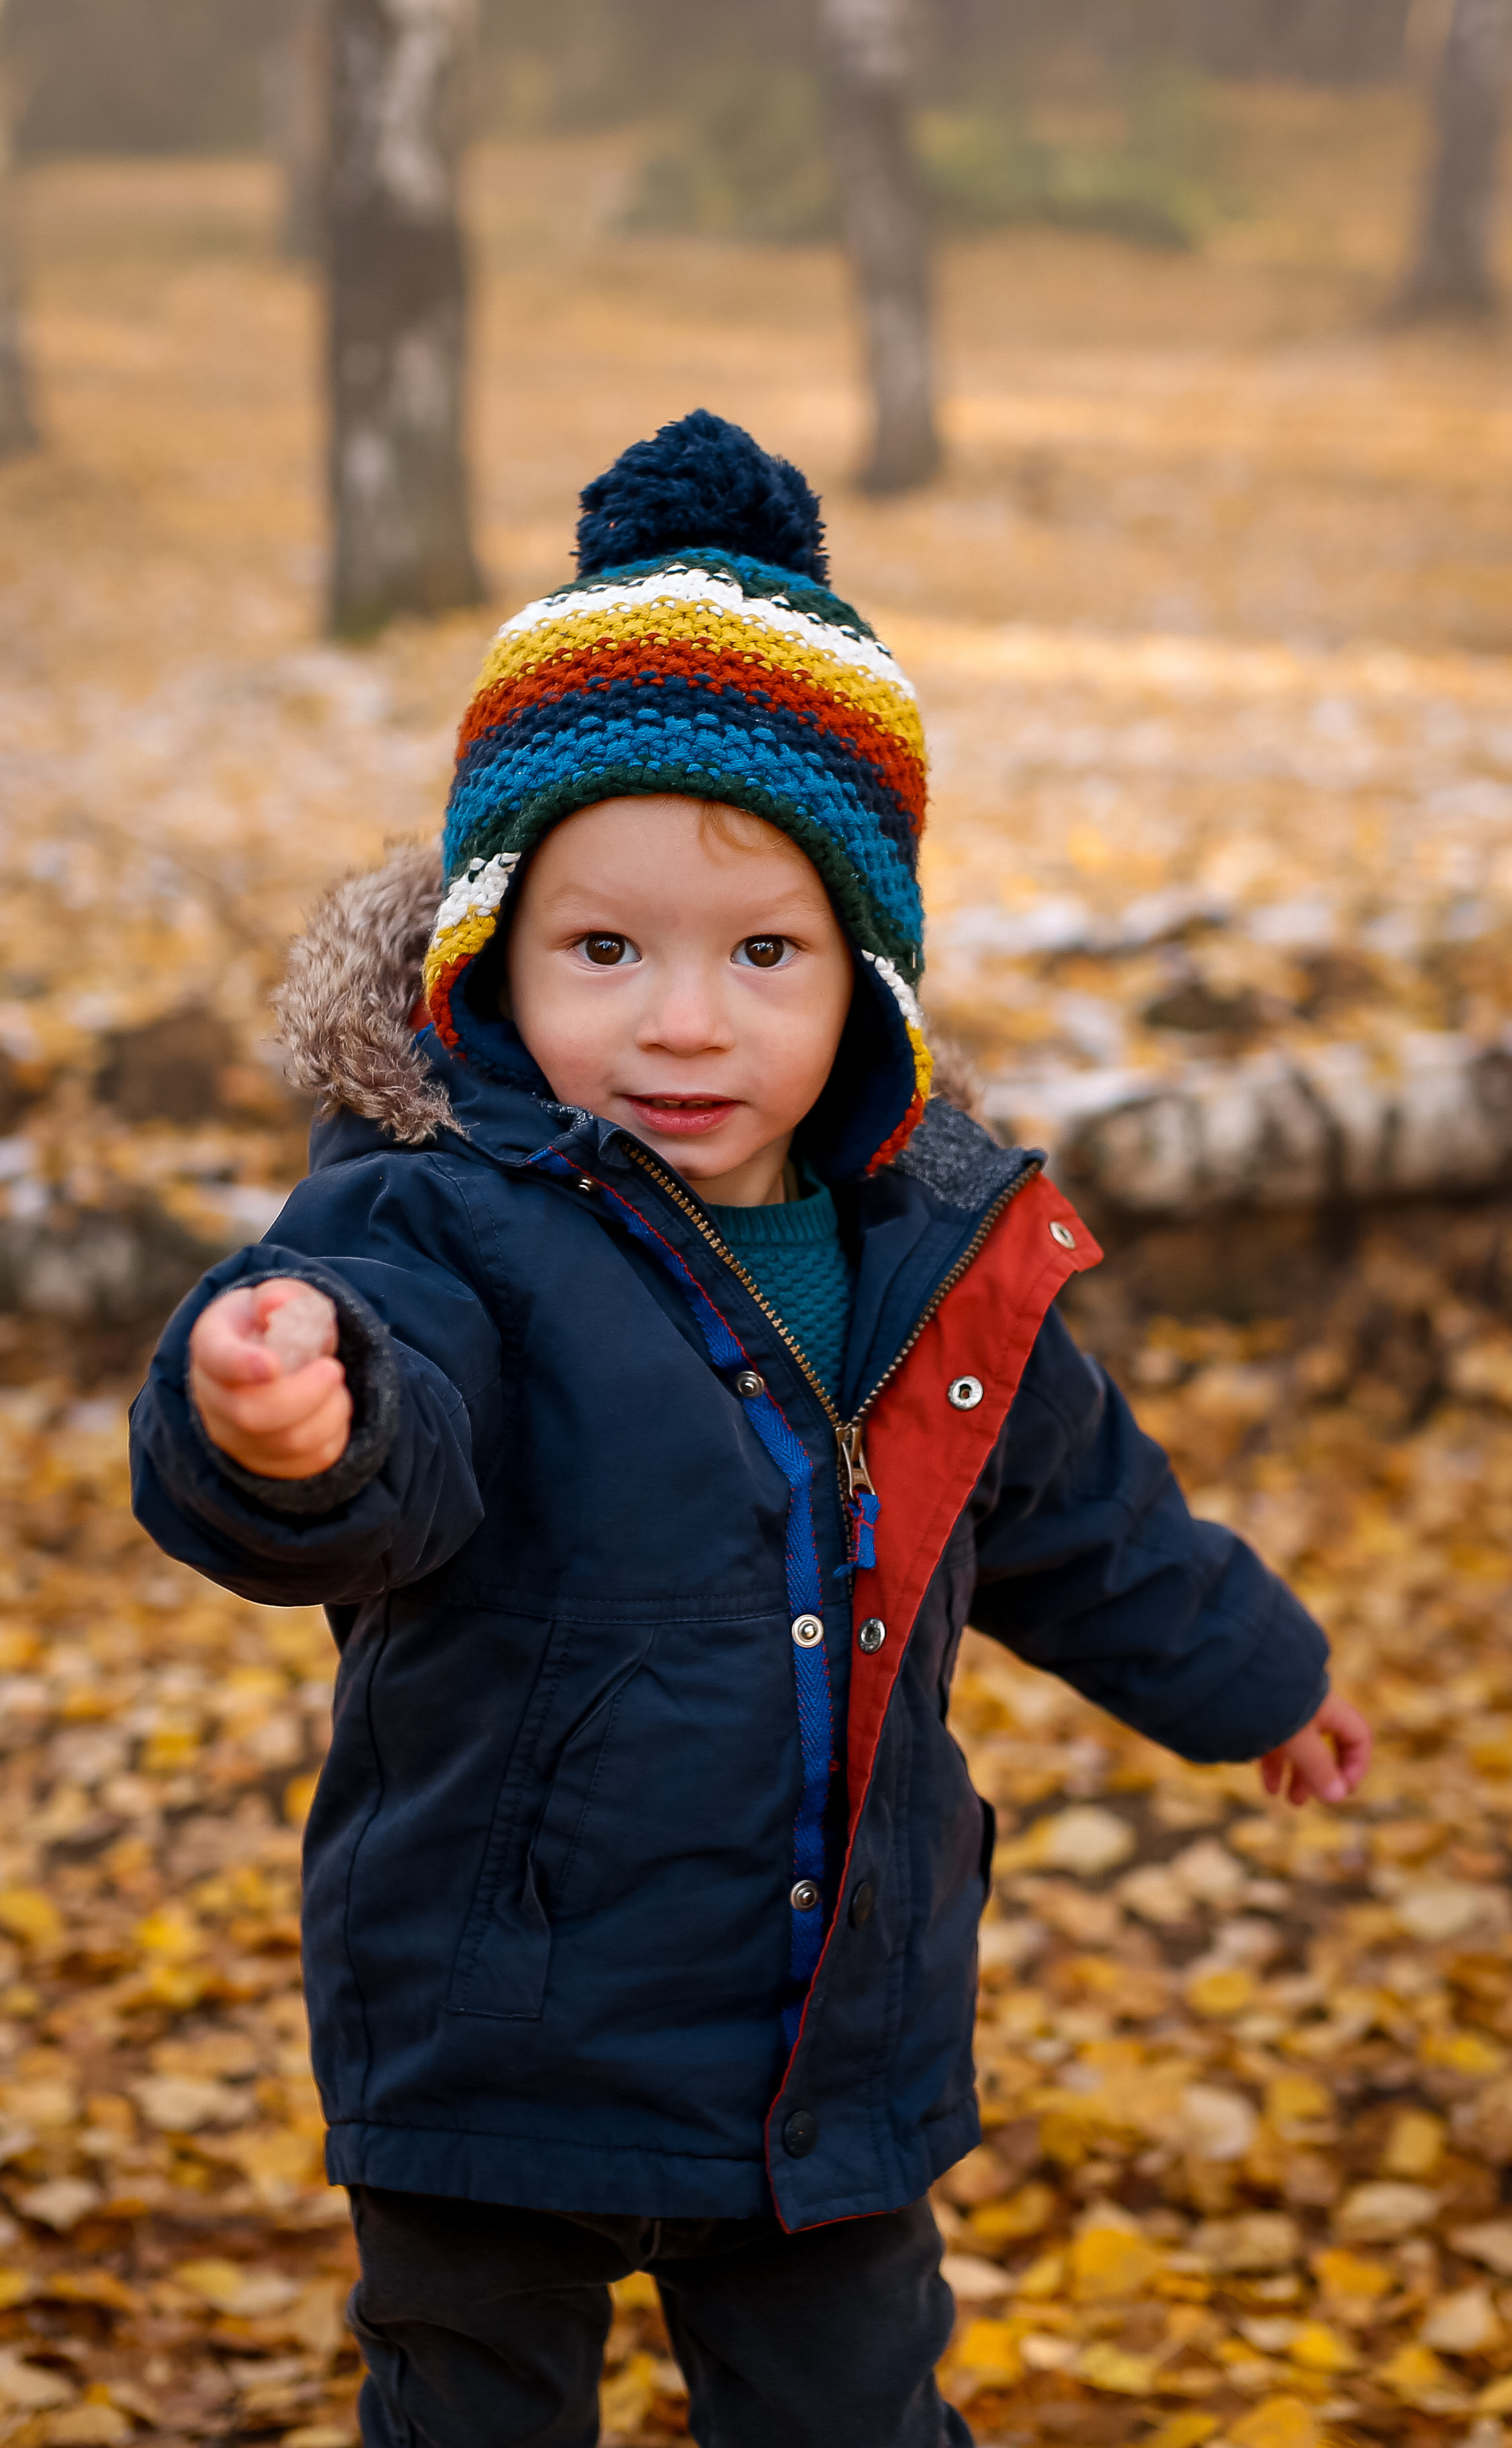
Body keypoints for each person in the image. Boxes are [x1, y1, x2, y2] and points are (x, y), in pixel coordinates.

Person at [130, 410, 1371, 2448]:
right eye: (604, 950)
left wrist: (1257, 1676)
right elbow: (392, 1445)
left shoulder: (928, 1249)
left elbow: (1075, 1512)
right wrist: (284, 1430)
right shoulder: (430, 1220)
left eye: (763, 953)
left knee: (854, 2414)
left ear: (865, 975)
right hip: (496, 2018)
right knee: (470, 2410)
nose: (683, 1020)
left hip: (828, 2033)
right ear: (492, 956)